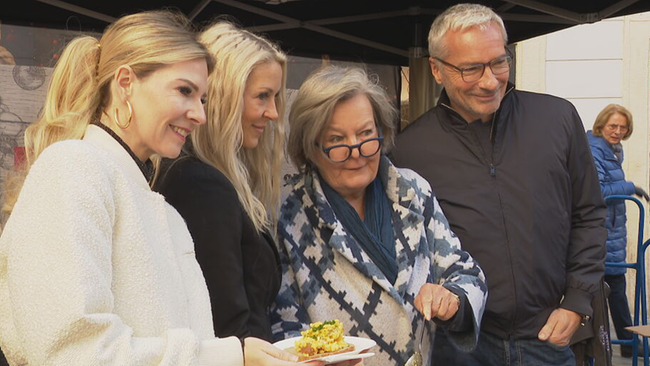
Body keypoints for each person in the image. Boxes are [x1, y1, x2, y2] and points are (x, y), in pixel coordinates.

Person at [0, 11, 310, 366]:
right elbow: (72, 354)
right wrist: (233, 356)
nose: (200, 115)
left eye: (203, 99)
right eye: (184, 91)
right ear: (125, 83)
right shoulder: (73, 167)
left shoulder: (160, 207)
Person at [390, 4, 607, 366]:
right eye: (471, 68)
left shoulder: (558, 119)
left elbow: (589, 215)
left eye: (499, 62)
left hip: (548, 339)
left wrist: (577, 302)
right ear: (436, 70)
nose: (490, 81)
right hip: (460, 346)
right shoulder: (409, 150)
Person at [271, 65, 487, 366]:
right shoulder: (288, 213)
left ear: (381, 132)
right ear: (310, 147)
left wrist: (453, 298)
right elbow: (282, 327)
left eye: (366, 134)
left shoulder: (412, 190)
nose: (357, 152)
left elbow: (466, 273)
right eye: (336, 140)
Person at [154, 21, 286, 342]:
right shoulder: (199, 184)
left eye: (275, 97)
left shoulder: (204, 174)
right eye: (262, 97)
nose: (273, 113)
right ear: (225, 98)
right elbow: (227, 326)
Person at [588, 104, 648, 358]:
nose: (618, 131)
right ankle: (610, 346)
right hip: (598, 231)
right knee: (604, 289)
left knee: (616, 287)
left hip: (611, 231)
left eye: (623, 127)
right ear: (601, 124)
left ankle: (625, 344)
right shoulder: (594, 149)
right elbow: (597, 191)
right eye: (613, 126)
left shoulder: (613, 149)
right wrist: (630, 186)